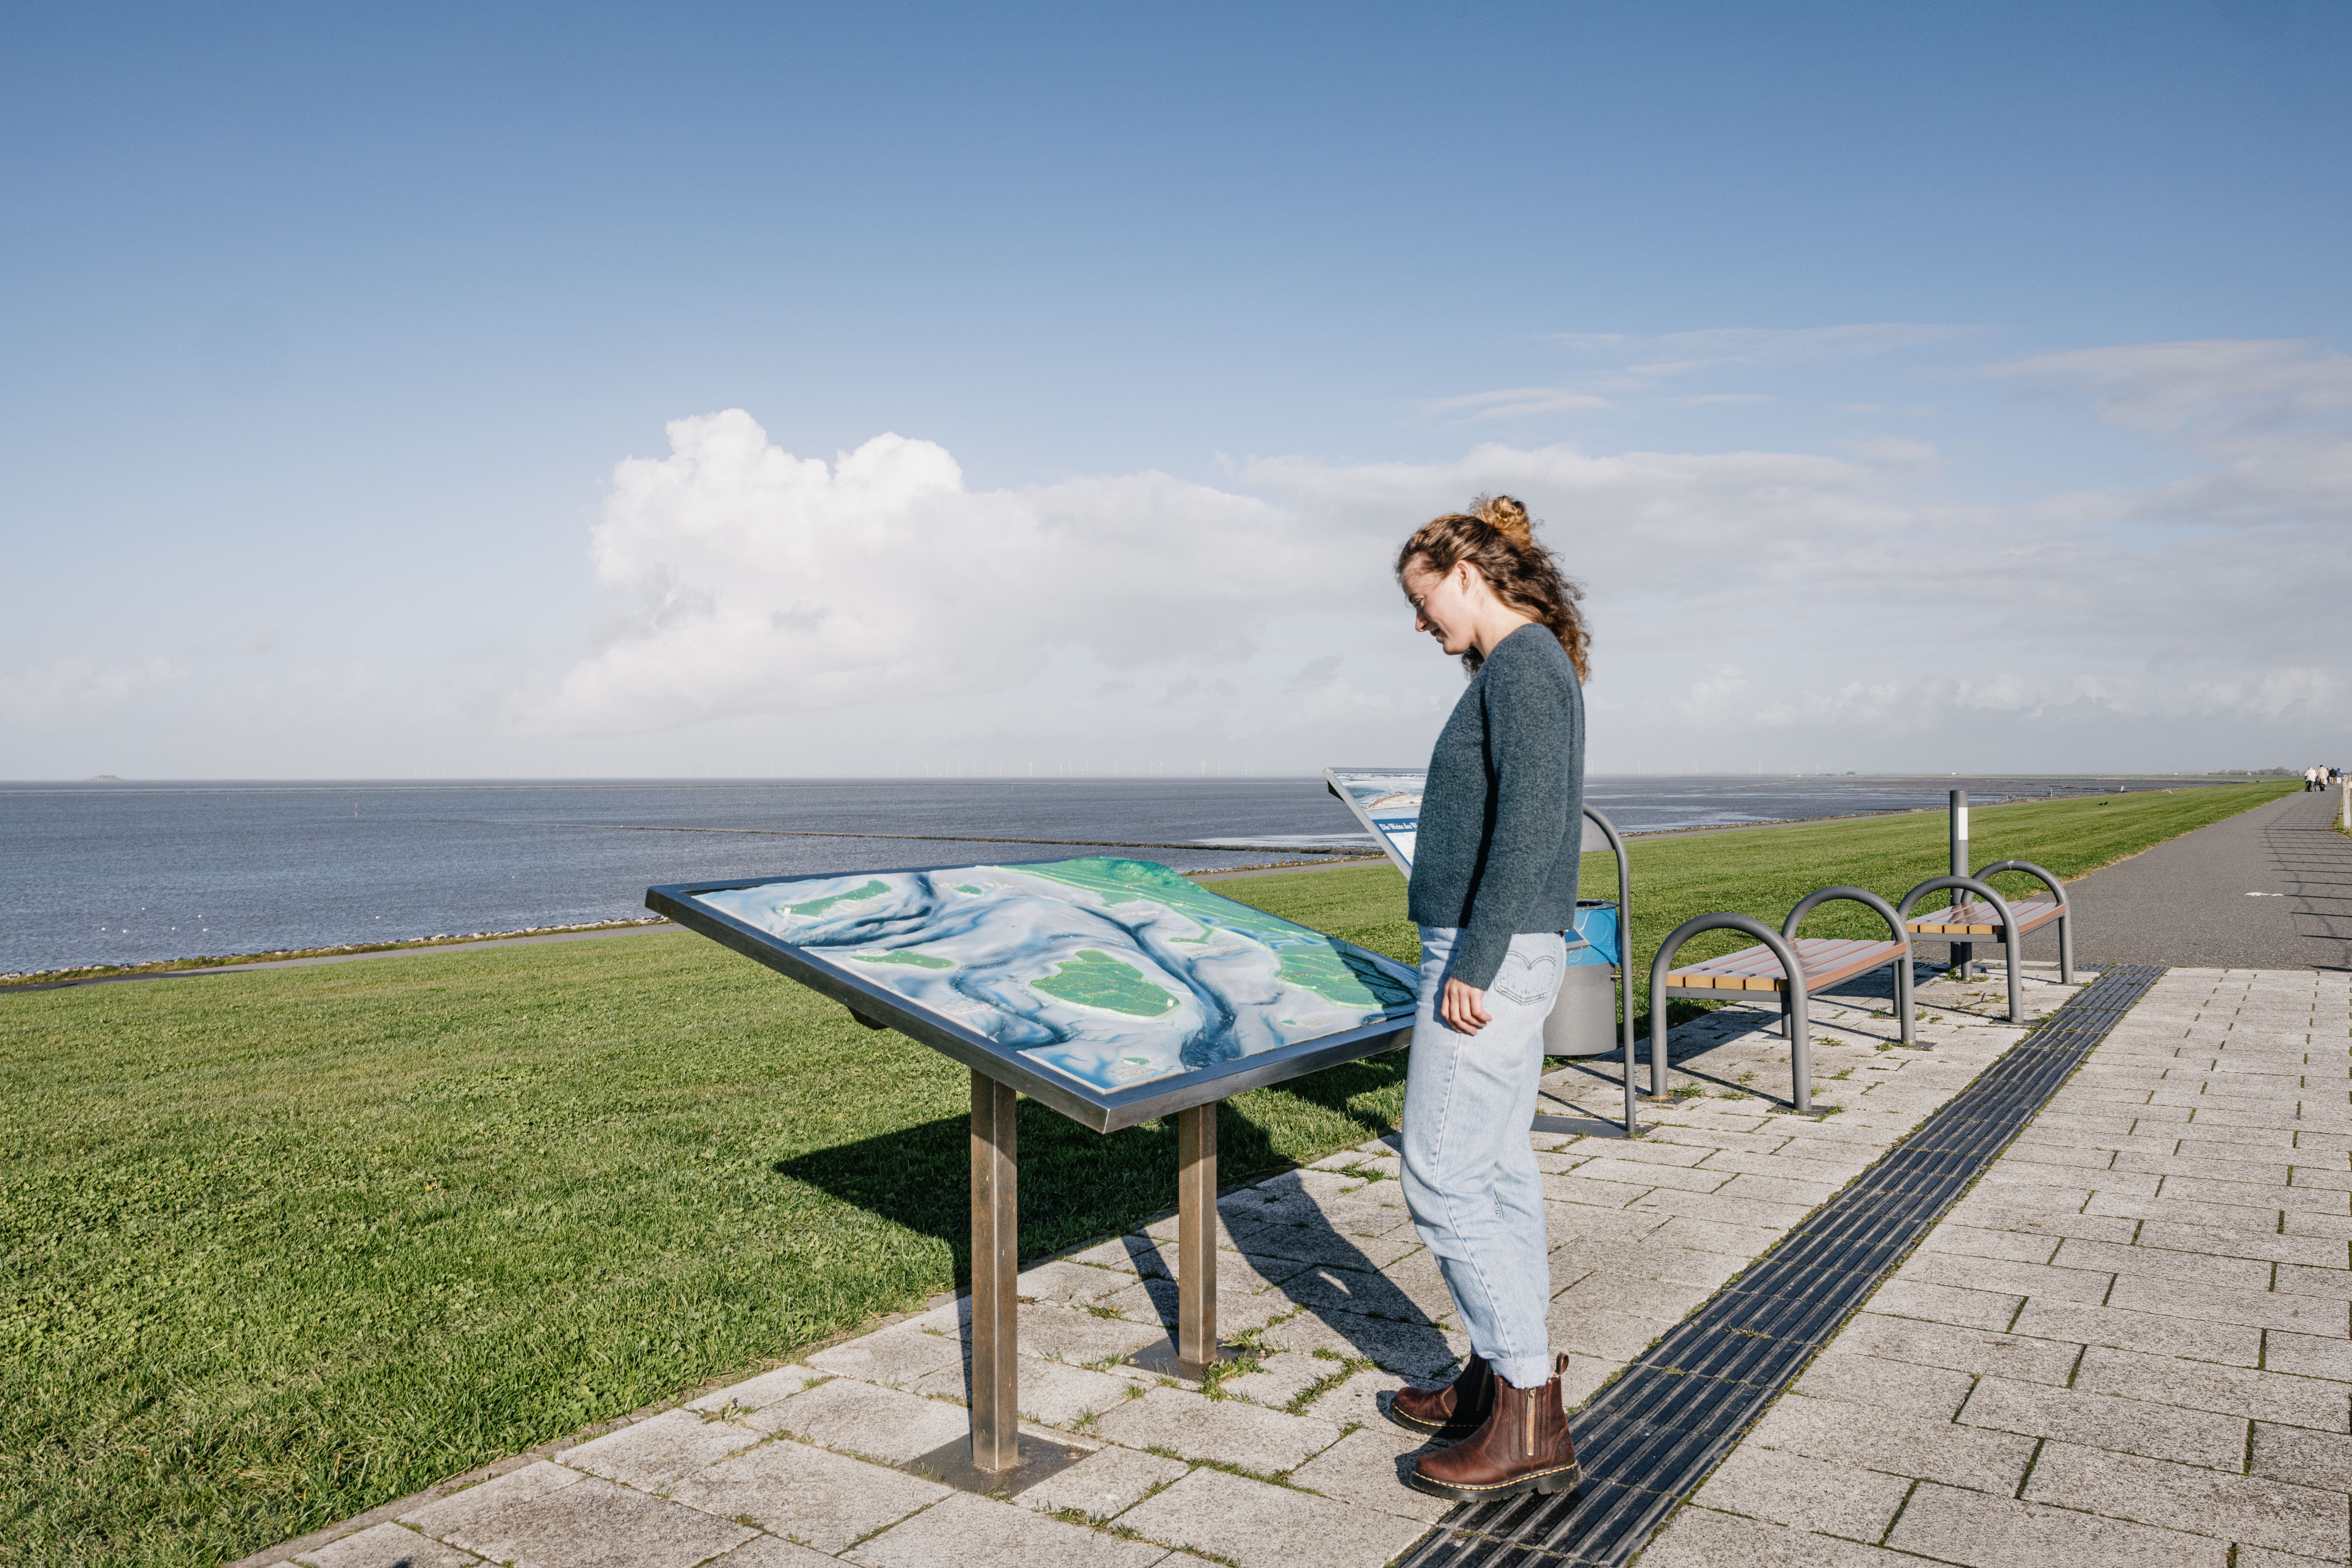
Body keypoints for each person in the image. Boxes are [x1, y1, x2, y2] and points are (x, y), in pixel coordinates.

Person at [1385, 494, 1591, 1501]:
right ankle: (1496, 1377)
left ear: (1467, 576)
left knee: (1442, 1176)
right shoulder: (1522, 666)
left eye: (1426, 605)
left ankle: (1526, 1413)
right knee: (1497, 1171)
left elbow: (1530, 826)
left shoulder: (1523, 667)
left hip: (1484, 959)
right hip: (1495, 950)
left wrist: (1472, 958)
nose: (1421, 626)